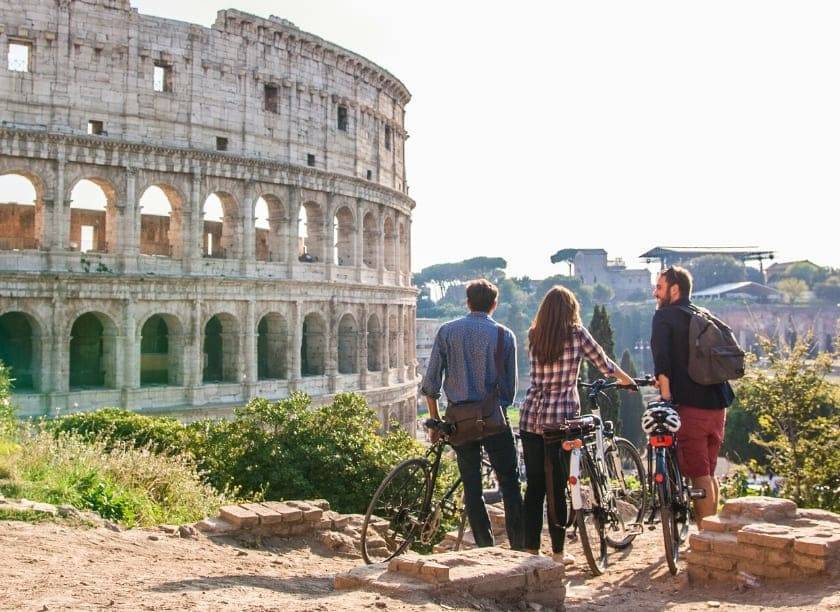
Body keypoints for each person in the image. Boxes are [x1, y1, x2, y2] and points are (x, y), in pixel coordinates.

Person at [519, 286, 635, 565]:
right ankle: (558, 553)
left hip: (530, 417)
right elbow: (604, 363)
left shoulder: (534, 335)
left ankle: (531, 550)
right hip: (560, 422)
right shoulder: (577, 334)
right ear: (570, 310)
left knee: (534, 486)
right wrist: (627, 380)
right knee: (557, 486)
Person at [420, 279, 524, 550]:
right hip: (493, 420)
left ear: (467, 302)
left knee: (472, 489)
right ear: (494, 304)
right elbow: (509, 392)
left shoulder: (447, 331)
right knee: (510, 484)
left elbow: (431, 384)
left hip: (458, 421)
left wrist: (435, 422)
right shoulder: (505, 335)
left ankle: (485, 548)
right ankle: (519, 548)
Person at [651, 266, 735, 523]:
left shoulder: (664, 317)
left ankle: (705, 542)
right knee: (708, 473)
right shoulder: (702, 314)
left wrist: (665, 398)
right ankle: (713, 535)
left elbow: (662, 362)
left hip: (691, 407)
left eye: (659, 287)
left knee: (699, 475)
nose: (655, 293)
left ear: (674, 290)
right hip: (718, 404)